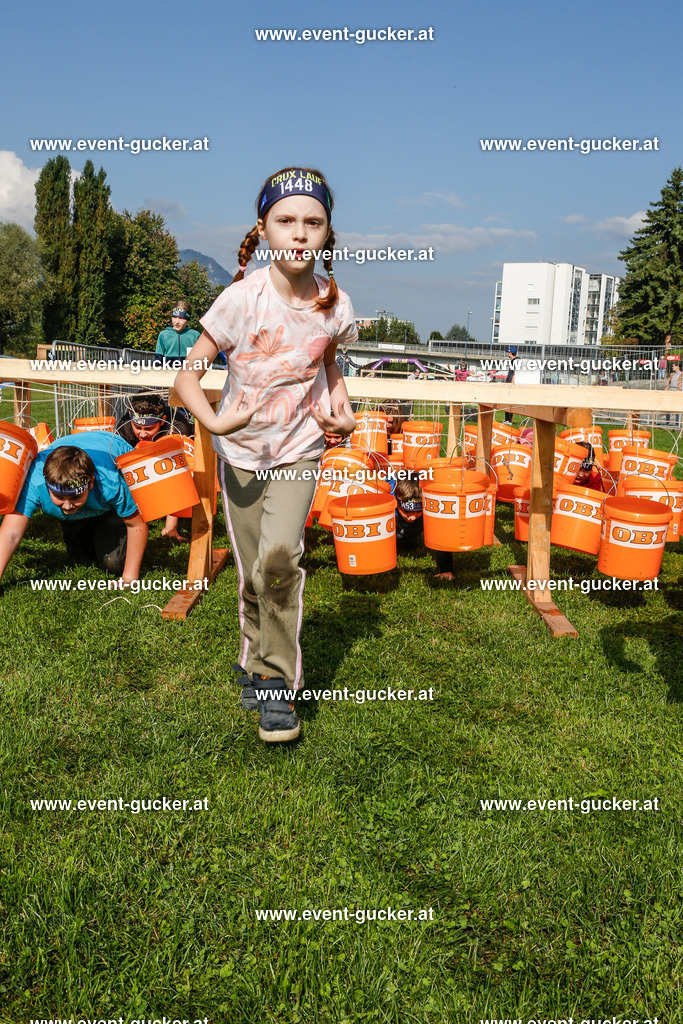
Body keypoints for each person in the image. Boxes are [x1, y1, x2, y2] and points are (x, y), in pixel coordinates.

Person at [174, 166, 357, 744]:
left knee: (280, 559)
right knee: (255, 571)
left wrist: (344, 414)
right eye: (286, 221)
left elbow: (328, 366)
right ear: (263, 228)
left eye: (313, 222)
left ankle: (278, 684)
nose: (299, 234)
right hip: (240, 453)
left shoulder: (335, 304)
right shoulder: (238, 300)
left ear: (328, 233)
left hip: (300, 449)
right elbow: (188, 376)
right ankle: (254, 650)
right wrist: (212, 420)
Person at [0, 432, 148, 585]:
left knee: (114, 563)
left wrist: (129, 578)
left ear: (90, 483)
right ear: (46, 486)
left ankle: (109, 518)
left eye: (75, 497)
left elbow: (136, 525)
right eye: (59, 497)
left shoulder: (110, 482)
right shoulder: (34, 482)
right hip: (80, 481)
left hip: (109, 447)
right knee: (81, 557)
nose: (67, 505)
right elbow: (10, 533)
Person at [116, 394, 194, 541]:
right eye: (137, 427)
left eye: (149, 428)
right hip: (143, 453)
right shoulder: (125, 427)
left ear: (162, 420)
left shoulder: (178, 427)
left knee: (172, 470)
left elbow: (177, 474)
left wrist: (171, 526)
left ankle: (170, 527)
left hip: (174, 458)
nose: (143, 433)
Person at [394, 472, 454, 579]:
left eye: (417, 511)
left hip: (418, 529)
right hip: (395, 532)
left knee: (415, 541)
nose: (412, 517)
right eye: (406, 511)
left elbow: (441, 535)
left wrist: (446, 570)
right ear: (396, 502)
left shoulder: (430, 503)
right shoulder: (388, 499)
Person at [154, 299, 201, 367]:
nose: (177, 322)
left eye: (181, 318)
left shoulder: (195, 336)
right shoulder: (163, 335)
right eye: (174, 317)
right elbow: (158, 361)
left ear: (187, 320)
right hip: (168, 374)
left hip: (188, 375)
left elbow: (202, 360)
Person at [503, 346, 517, 425]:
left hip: (511, 384)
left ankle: (509, 420)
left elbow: (514, 373)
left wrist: (511, 383)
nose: (508, 354)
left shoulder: (514, 361)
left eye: (508, 352)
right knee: (507, 401)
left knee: (509, 402)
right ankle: (507, 419)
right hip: (509, 382)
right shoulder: (514, 361)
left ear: (510, 353)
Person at [665, 361, 682, 428]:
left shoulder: (681, 374)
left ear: (677, 367)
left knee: (677, 407)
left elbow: (681, 385)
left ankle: (677, 422)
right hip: (670, 391)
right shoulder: (672, 374)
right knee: (668, 407)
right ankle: (667, 421)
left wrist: (679, 392)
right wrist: (665, 390)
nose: (672, 367)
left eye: (673, 366)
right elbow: (668, 383)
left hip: (677, 392)